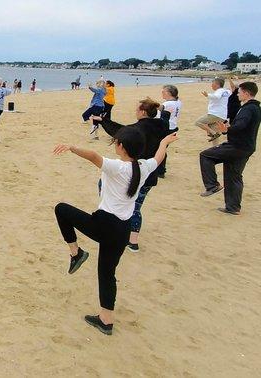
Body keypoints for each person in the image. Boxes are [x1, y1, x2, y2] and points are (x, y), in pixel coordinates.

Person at [53, 128, 178, 335]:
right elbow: (158, 156)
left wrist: (71, 147)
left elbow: (93, 156)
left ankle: (76, 253)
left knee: (61, 209)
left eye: (117, 142)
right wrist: (164, 141)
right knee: (107, 273)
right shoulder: (143, 166)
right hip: (123, 230)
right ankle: (106, 320)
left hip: (104, 225)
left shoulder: (118, 167)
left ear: (122, 147)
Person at [93, 98, 171, 252]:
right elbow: (167, 113)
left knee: (127, 204)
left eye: (137, 109)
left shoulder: (138, 129)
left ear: (142, 112)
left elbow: (120, 132)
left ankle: (119, 228)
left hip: (135, 172)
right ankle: (132, 242)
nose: (135, 111)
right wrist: (158, 106)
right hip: (150, 172)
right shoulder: (162, 124)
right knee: (136, 206)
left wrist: (102, 121)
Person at [199, 82, 260, 215]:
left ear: (247, 93)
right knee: (233, 176)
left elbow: (241, 125)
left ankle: (212, 185)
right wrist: (227, 130)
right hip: (246, 147)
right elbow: (242, 126)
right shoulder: (254, 108)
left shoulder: (249, 109)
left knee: (206, 155)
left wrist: (228, 129)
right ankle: (233, 208)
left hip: (237, 146)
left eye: (239, 92)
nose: (238, 94)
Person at [195, 78, 231, 145]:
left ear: (217, 85)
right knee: (214, 130)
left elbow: (216, 97)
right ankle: (215, 148)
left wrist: (207, 95)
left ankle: (214, 133)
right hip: (222, 115)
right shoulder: (226, 91)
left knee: (198, 122)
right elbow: (231, 90)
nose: (211, 85)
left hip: (215, 114)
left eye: (212, 83)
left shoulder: (219, 91)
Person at [157, 85, 182, 178]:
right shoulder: (178, 102)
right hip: (173, 128)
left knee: (160, 148)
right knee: (161, 148)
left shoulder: (168, 104)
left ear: (169, 93)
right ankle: (160, 170)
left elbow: (160, 108)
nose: (162, 93)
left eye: (163, 92)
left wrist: (151, 103)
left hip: (167, 129)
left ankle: (160, 171)